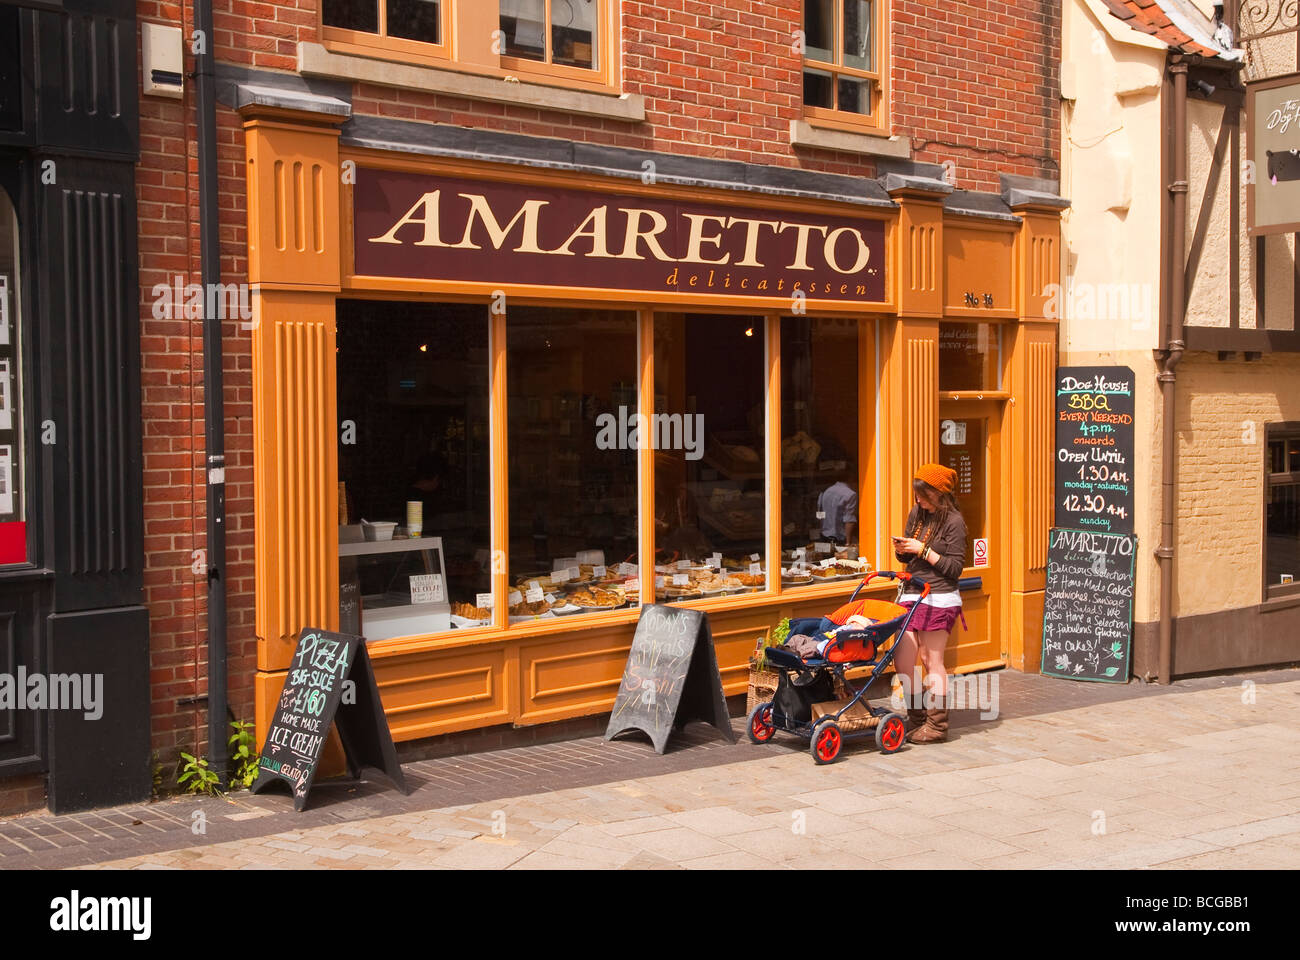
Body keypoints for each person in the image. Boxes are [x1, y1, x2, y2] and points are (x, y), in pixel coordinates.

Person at [890, 463, 968, 744]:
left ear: (938, 493)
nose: (918, 500)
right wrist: (903, 551)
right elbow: (908, 559)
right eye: (916, 495)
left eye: (923, 495)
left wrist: (923, 550)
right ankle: (917, 717)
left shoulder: (955, 522)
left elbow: (954, 568)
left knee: (930, 659)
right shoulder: (917, 514)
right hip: (912, 591)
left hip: (940, 595)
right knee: (903, 659)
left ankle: (936, 725)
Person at [817, 463, 858, 548]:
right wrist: (848, 543)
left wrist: (821, 528)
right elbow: (849, 519)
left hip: (824, 536)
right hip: (840, 539)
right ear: (851, 477)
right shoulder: (850, 494)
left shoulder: (826, 491)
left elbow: (819, 512)